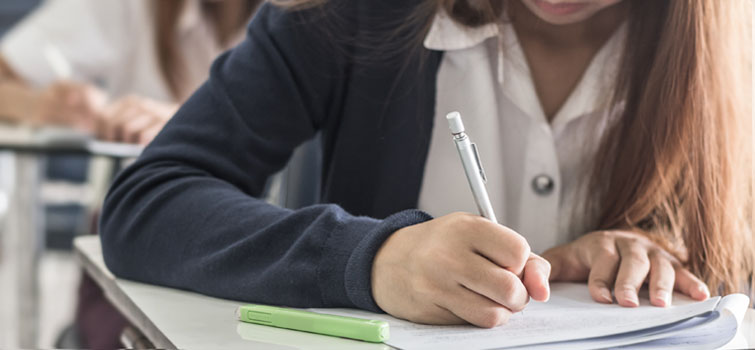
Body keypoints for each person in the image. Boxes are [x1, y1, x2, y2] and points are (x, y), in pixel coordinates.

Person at [100, 0, 754, 328]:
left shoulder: (728, 53)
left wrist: (661, 249)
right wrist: (374, 259)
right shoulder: (347, 14)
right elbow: (148, 205)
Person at [0, 0, 259, 347]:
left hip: (261, 250)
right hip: (145, 244)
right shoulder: (132, 7)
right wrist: (42, 105)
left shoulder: (314, 18)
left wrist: (190, 123)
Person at [0, 0, 258, 144]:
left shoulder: (293, 18)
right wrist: (39, 106)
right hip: (147, 215)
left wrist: (184, 122)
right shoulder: (131, 6)